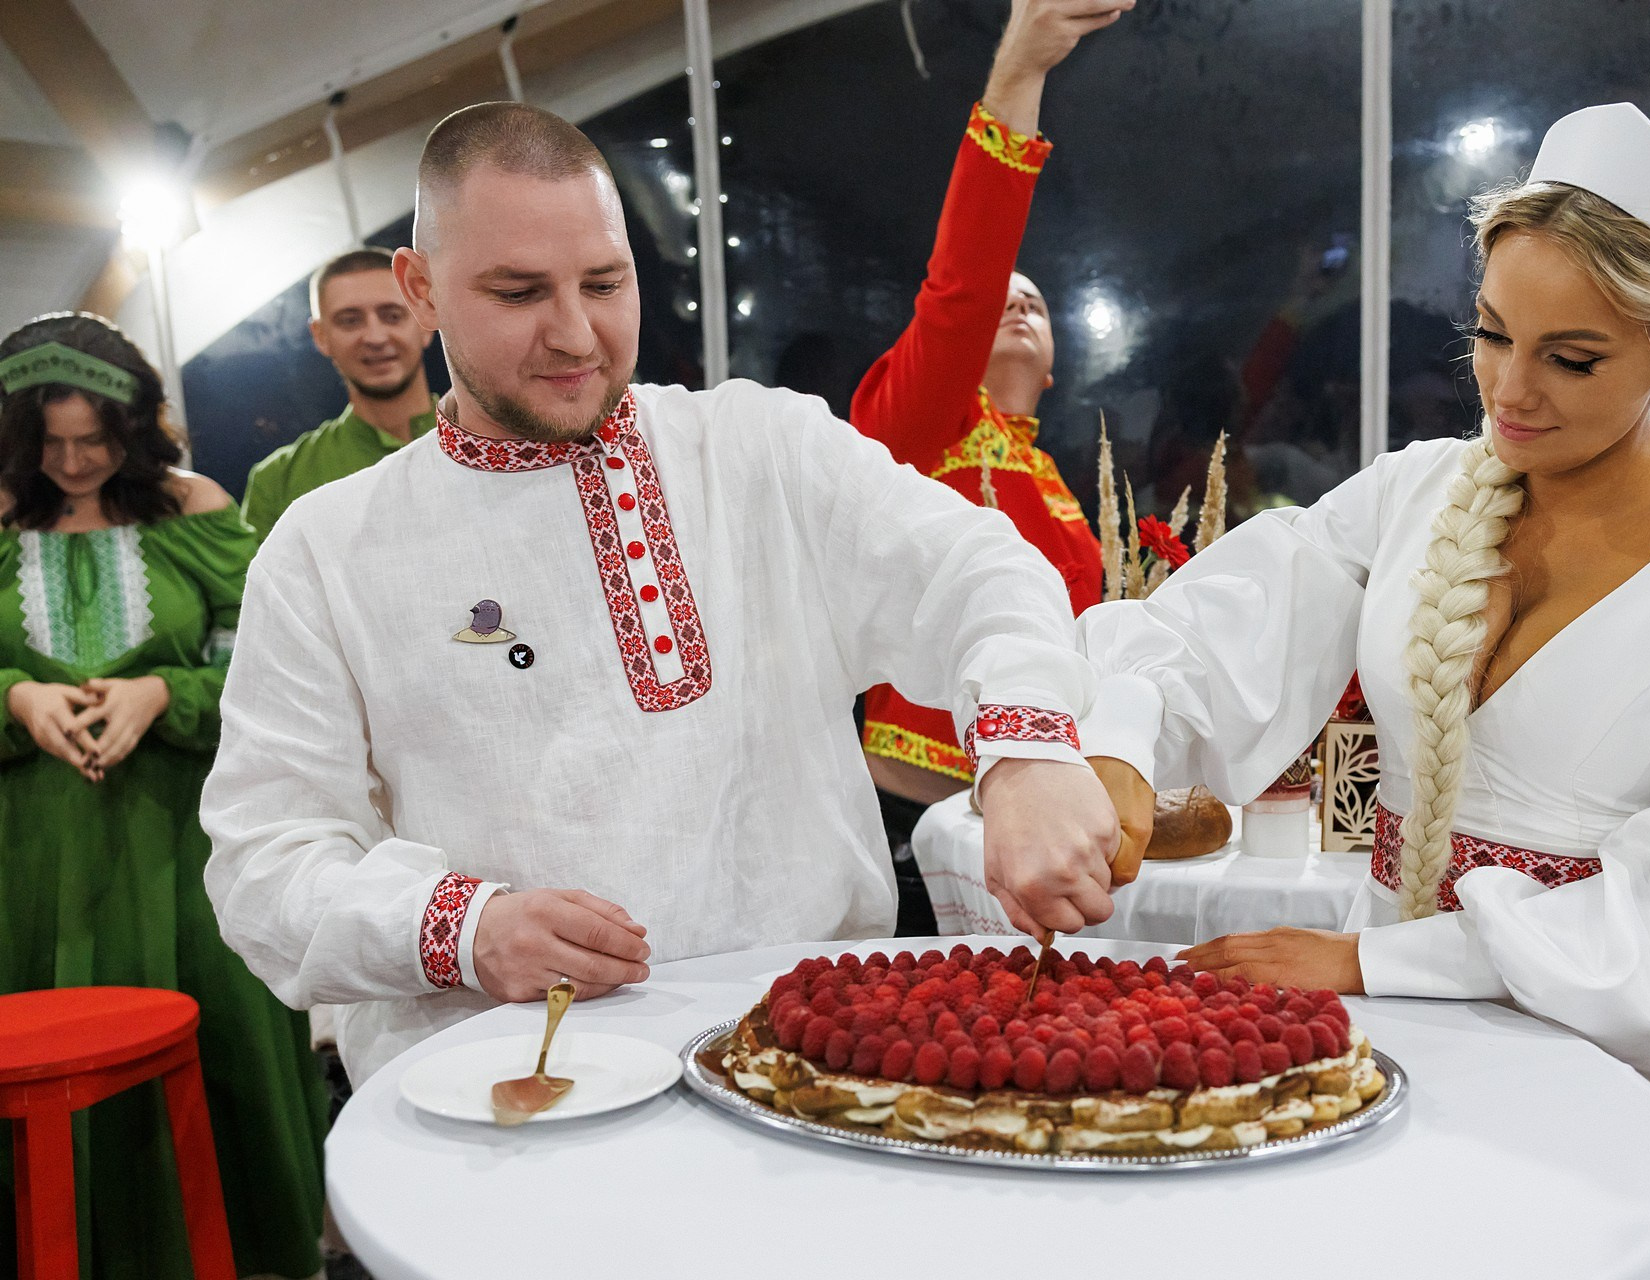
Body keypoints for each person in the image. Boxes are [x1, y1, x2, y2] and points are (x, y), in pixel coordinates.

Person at [1072, 105, 1650, 1280]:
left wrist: (1373, 958)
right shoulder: (1418, 492)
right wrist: (1117, 748)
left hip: (1604, 1070)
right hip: (1390, 1048)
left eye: (1570, 357)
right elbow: (1210, 632)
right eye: (1490, 335)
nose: (1510, 389)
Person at [201, 101, 1128, 1089]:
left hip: (813, 1056)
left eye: (604, 283)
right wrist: (463, 929)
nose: (573, 333)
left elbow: (975, 566)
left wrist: (1026, 750)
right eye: (518, 292)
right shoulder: (329, 548)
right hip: (507, 1084)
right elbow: (267, 860)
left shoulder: (755, 449)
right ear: (419, 287)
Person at [0, 313, 327, 1280]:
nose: (73, 461)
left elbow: (271, 666)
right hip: (35, 856)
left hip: (182, 837)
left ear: (138, 425)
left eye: (93, 438)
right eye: (47, 443)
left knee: (209, 1049)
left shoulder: (197, 511)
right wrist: (17, 697)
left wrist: (163, 695)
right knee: (52, 1064)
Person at [849, 0, 1130, 932]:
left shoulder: (1058, 488)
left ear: (1053, 364)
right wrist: (1019, 77)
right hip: (913, 832)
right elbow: (964, 283)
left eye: (1037, 302)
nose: (1013, 305)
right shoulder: (914, 431)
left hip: (1036, 826)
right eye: (998, 300)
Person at [242, 247, 438, 534]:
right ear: (320, 336)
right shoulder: (278, 481)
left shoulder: (496, 441)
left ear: (426, 321)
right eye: (350, 320)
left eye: (392, 315)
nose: (375, 337)